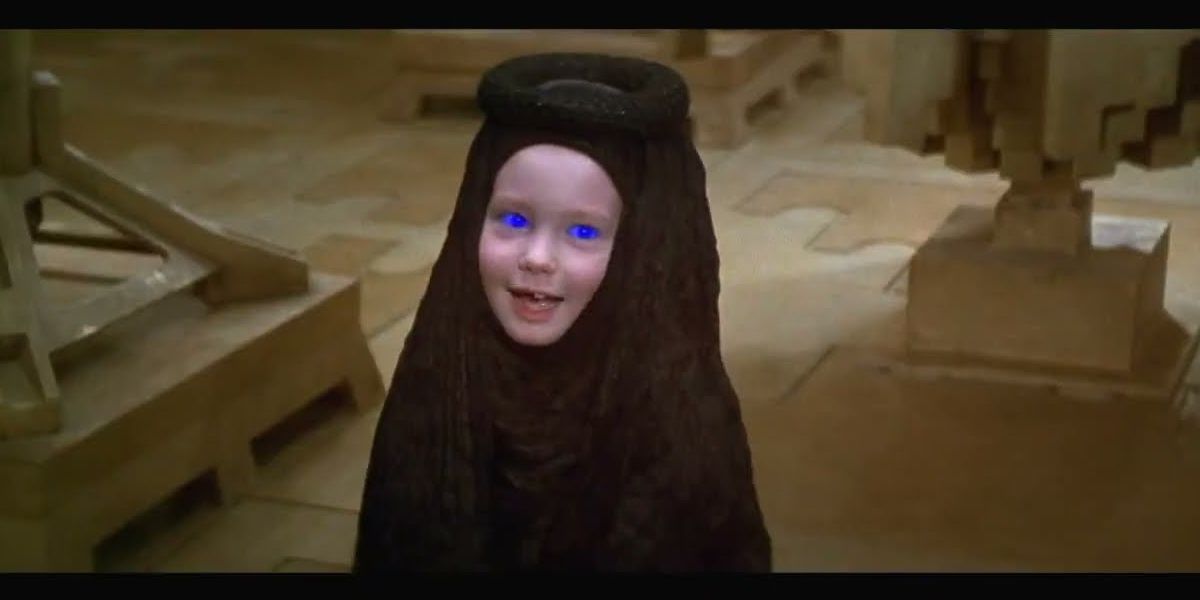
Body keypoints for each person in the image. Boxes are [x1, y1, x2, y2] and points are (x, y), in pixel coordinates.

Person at [354, 52, 771, 572]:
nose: (537, 258)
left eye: (583, 231)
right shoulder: (437, 386)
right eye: (512, 219)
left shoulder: (684, 442)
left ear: (641, 254)